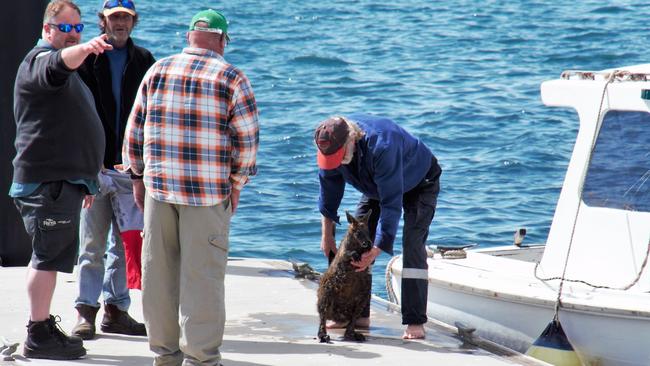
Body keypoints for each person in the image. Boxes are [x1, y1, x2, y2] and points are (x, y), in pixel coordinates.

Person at [121, 9, 259, 365]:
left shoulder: (158, 70)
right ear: (222, 41)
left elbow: (134, 132)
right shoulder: (232, 77)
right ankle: (201, 360)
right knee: (202, 282)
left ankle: (165, 357)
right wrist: (237, 185)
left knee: (159, 278)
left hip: (160, 191)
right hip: (208, 195)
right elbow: (246, 141)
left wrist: (138, 177)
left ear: (188, 37)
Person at [10, 0, 113, 360]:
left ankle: (42, 326)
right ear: (47, 29)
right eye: (65, 28)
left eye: (78, 28)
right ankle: (37, 333)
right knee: (45, 257)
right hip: (47, 184)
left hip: (64, 183)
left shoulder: (64, 71)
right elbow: (56, 64)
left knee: (52, 258)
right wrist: (84, 48)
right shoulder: (39, 61)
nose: (72, 34)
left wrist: (84, 180)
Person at [315, 114, 441, 340]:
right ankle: (356, 314)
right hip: (375, 185)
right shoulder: (329, 144)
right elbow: (329, 194)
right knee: (354, 243)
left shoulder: (382, 146)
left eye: (338, 157)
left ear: (351, 140)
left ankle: (415, 321)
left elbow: (391, 204)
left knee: (412, 244)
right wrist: (327, 236)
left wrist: (377, 249)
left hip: (419, 181)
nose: (334, 162)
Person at [72, 0, 155, 340]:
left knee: (124, 243)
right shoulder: (86, 58)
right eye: (113, 17)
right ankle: (85, 312)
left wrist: (143, 164)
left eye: (125, 17)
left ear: (133, 22)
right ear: (103, 21)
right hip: (93, 167)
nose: (119, 23)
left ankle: (117, 310)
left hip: (130, 169)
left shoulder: (145, 61)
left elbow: (153, 113)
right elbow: (71, 113)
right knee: (91, 244)